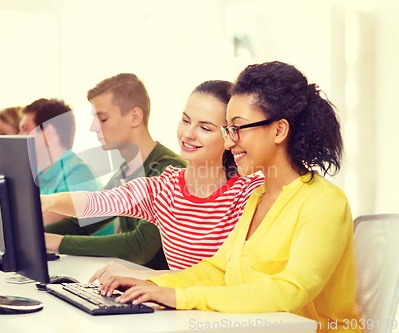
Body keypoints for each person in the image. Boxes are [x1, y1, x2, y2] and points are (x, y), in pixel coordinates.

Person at [97, 61, 362, 332]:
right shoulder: (258, 197)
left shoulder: (324, 202)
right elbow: (217, 270)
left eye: (237, 128)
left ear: (279, 130)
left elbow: (290, 292)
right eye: (227, 130)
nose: (228, 141)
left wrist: (180, 297)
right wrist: (152, 285)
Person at [42, 79, 264, 275]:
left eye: (205, 128)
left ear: (229, 136)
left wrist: (147, 278)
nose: (188, 134)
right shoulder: (164, 188)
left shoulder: (249, 192)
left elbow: (235, 278)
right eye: (186, 121)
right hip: (177, 311)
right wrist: (48, 201)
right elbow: (95, 204)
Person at [44, 73, 186, 270]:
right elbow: (84, 222)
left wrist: (56, 242)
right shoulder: (125, 171)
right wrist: (32, 238)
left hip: (162, 293)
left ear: (135, 116)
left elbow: (140, 246)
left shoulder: (169, 169)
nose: (94, 127)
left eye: (102, 118)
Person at [0, 98, 100, 238]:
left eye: (25, 130)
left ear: (48, 133)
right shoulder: (37, 174)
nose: (18, 136)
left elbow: (41, 224)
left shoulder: (79, 174)